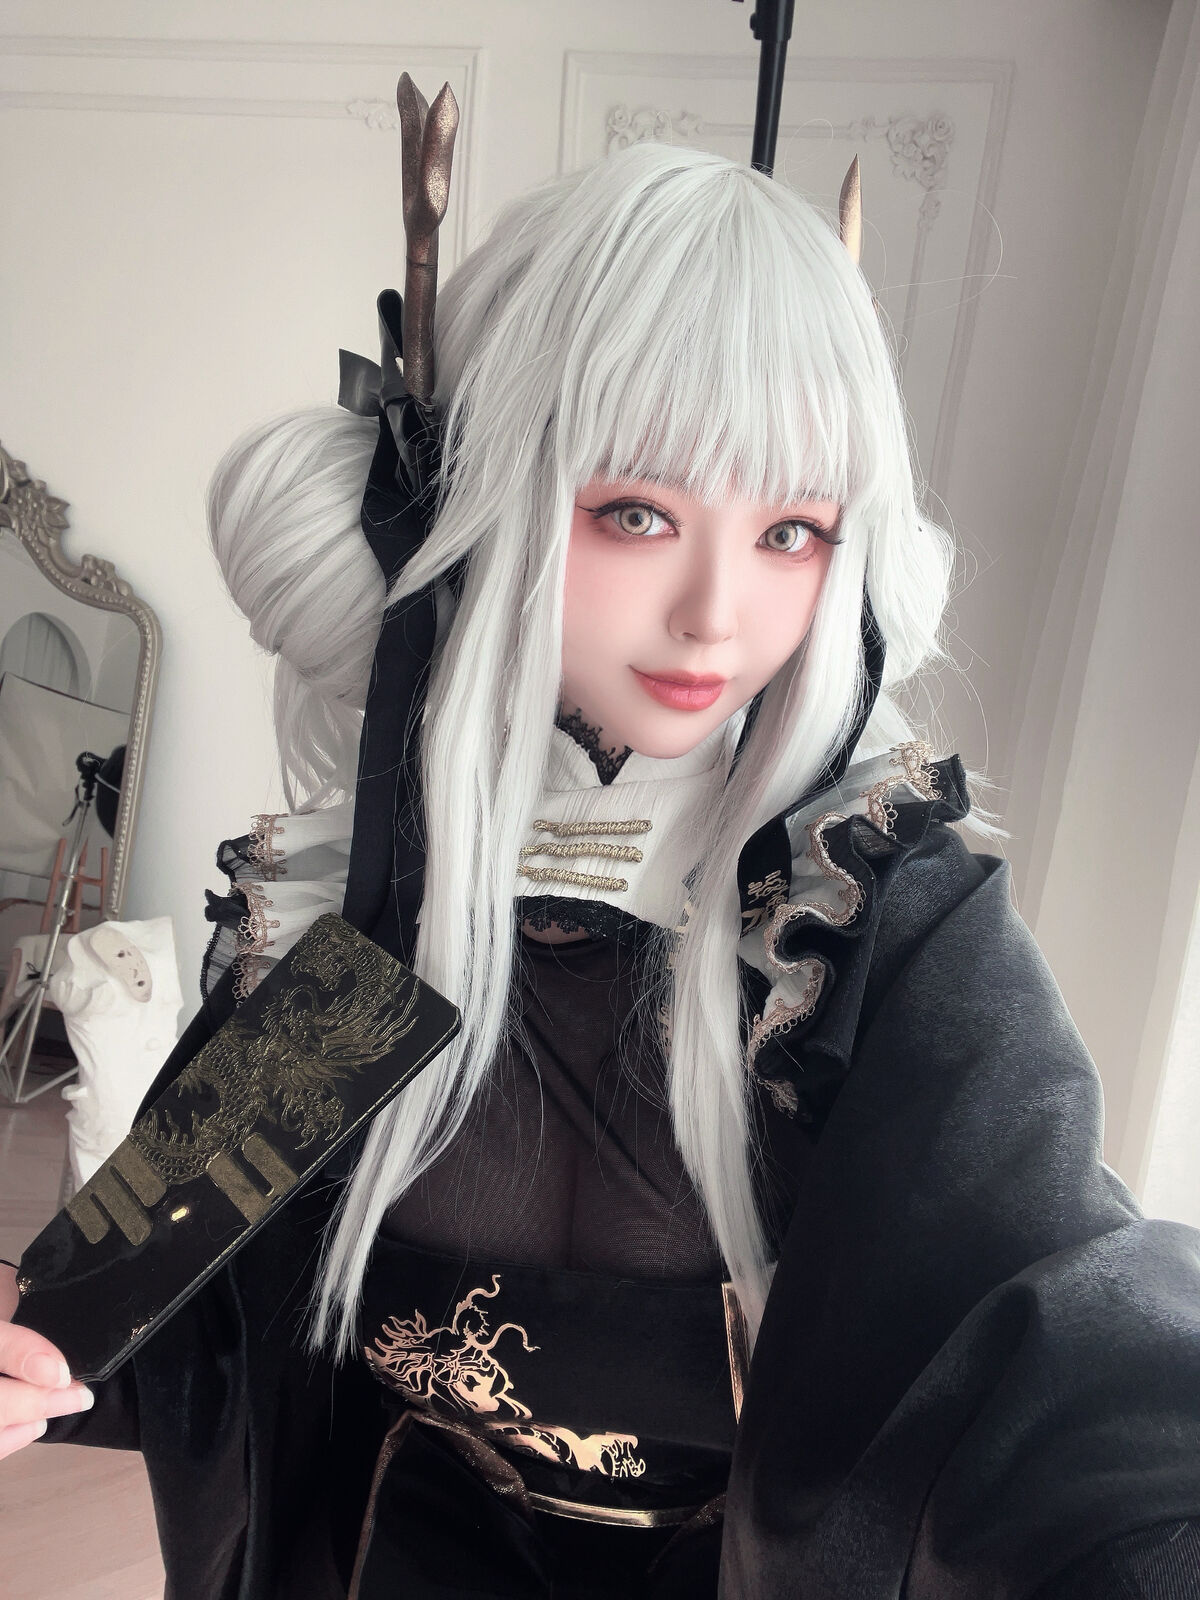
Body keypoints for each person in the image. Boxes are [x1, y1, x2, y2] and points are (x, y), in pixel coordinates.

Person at [3, 139, 1200, 1600]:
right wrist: (43, 1349)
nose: (716, 614)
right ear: (482, 494)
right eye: (637, 513)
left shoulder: (865, 914)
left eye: (792, 532)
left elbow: (1054, 1307)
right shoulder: (376, 896)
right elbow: (185, 1277)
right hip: (399, 1544)